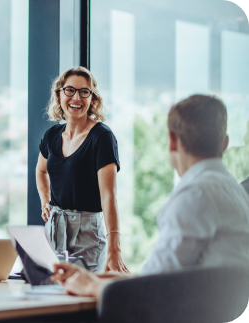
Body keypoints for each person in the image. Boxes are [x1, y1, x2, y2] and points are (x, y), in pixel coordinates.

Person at [51, 95, 249, 297]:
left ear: (172, 141)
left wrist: (90, 286)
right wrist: (93, 278)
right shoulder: (235, 192)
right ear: (224, 143)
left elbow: (153, 288)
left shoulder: (195, 195)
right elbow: (157, 275)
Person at [36, 66, 128, 273]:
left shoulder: (102, 137)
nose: (76, 97)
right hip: (54, 228)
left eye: (84, 92)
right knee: (52, 295)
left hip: (87, 232)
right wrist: (45, 201)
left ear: (92, 99)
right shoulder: (51, 135)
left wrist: (115, 249)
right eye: (70, 90)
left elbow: (109, 197)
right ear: (59, 94)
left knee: (83, 299)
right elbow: (41, 171)